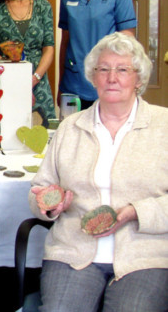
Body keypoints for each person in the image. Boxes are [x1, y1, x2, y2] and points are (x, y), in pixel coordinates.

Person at [28, 32, 168, 311]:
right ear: (93, 77)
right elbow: (38, 191)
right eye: (103, 69)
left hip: (144, 255)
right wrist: (50, 202)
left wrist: (134, 212)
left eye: (122, 70)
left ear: (138, 79)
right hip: (73, 252)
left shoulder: (163, 126)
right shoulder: (71, 127)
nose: (112, 78)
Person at [59, 0, 137, 110]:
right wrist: (60, 85)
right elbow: (65, 42)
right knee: (73, 134)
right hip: (73, 84)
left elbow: (128, 43)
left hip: (108, 84)